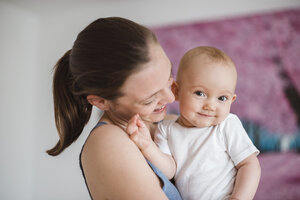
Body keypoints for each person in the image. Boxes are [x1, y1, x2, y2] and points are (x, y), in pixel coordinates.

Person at [47, 17, 182, 200]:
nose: (171, 98)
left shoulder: (167, 124)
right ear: (101, 102)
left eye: (169, 78)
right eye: (150, 99)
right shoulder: (108, 142)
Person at [126, 46, 261, 200]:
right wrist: (147, 146)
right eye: (200, 93)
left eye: (222, 98)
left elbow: (249, 164)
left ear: (232, 100)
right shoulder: (166, 130)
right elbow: (169, 170)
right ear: (177, 91)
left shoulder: (227, 125)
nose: (210, 105)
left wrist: (239, 198)